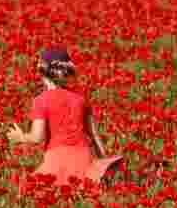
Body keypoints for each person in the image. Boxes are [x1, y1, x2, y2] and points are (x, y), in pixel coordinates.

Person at [7, 47, 124, 187]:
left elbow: (37, 137)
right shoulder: (81, 99)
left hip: (57, 160)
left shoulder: (41, 100)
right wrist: (103, 165)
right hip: (84, 159)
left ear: (41, 73)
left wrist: (20, 137)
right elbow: (94, 136)